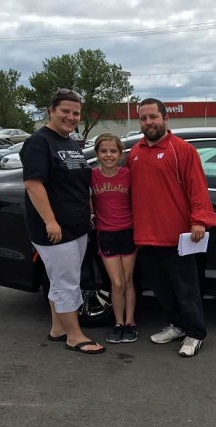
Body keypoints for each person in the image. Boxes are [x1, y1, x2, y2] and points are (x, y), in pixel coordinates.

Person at [127, 98, 216, 357]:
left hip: (178, 237)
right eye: (143, 118)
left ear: (166, 119)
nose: (148, 122)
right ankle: (177, 326)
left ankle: (195, 333)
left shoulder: (182, 150)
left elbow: (197, 188)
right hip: (145, 236)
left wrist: (199, 220)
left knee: (186, 289)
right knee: (162, 290)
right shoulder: (135, 152)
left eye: (153, 117)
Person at [20, 88, 105, 355]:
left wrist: (89, 208)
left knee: (60, 279)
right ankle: (74, 335)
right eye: (65, 111)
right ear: (51, 111)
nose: (71, 117)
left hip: (77, 225)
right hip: (56, 230)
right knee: (68, 281)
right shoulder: (39, 142)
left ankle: (58, 327)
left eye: (75, 113)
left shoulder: (69, 141)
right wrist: (50, 221)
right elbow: (34, 185)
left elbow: (79, 181)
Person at [90, 133, 138, 343]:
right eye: (104, 151)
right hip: (106, 233)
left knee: (128, 280)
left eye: (113, 151)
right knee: (116, 283)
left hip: (127, 232)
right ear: (98, 154)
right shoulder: (91, 175)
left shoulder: (128, 174)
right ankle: (118, 323)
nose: (108, 155)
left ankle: (130, 323)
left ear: (120, 154)